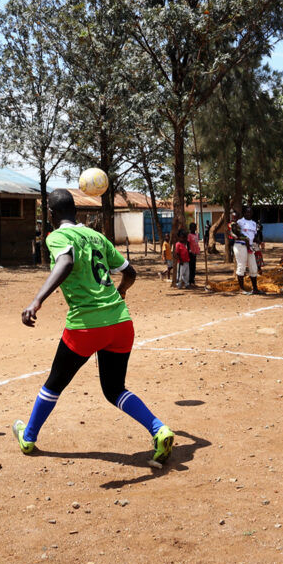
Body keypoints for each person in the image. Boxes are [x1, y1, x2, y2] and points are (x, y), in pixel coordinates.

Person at [12, 189, 175, 467]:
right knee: (114, 389)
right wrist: (121, 291)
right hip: (120, 322)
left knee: (55, 383)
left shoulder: (57, 237)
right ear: (75, 211)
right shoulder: (97, 236)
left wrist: (36, 301)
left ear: (51, 215)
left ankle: (28, 438)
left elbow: (66, 261)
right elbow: (130, 272)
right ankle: (159, 429)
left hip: (86, 325)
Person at [230, 207, 263, 294]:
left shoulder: (254, 224)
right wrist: (245, 238)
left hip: (250, 247)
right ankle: (242, 289)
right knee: (241, 267)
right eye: (247, 212)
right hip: (240, 246)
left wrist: (260, 242)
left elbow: (254, 237)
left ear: (252, 213)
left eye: (250, 212)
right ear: (244, 213)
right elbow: (234, 232)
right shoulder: (239, 222)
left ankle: (255, 289)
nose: (248, 214)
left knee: (253, 267)